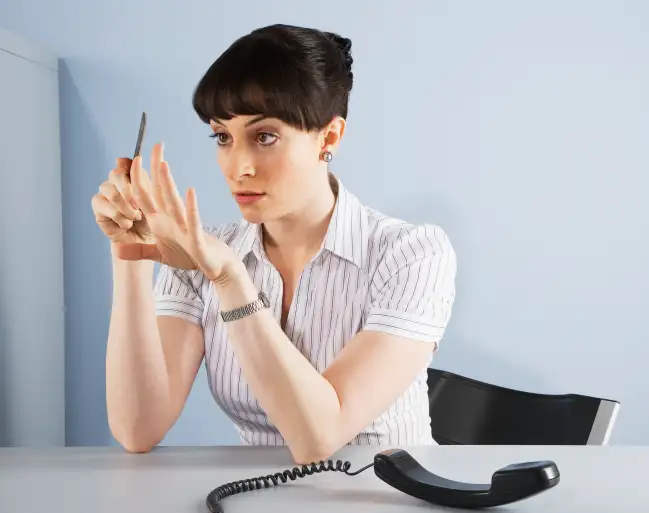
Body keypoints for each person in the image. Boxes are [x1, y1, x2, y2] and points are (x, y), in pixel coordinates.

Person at [91, 24, 457, 464]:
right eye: (223, 136)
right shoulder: (200, 251)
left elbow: (319, 437)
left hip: (390, 508)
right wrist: (130, 256)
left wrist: (231, 280)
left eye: (264, 137)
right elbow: (138, 428)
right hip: (258, 511)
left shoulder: (411, 254)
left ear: (330, 137)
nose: (238, 166)